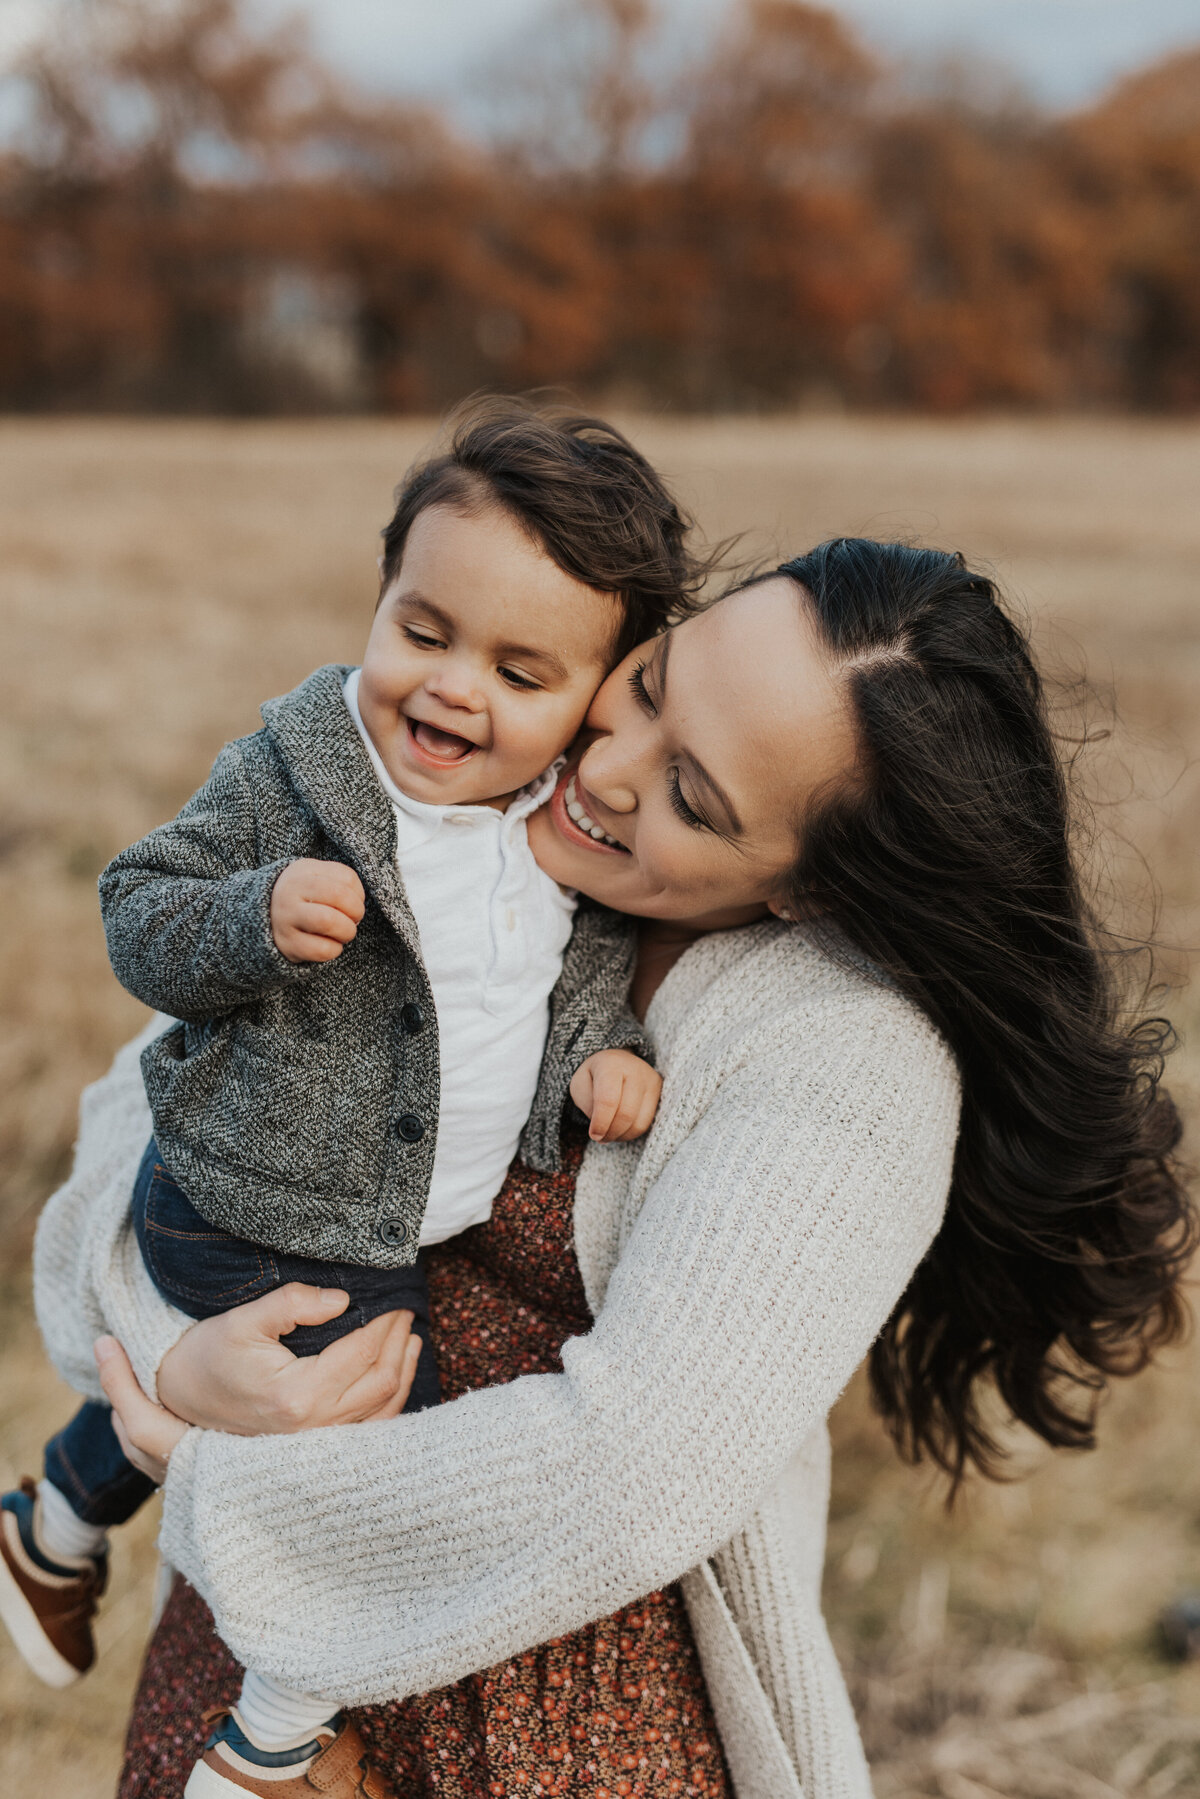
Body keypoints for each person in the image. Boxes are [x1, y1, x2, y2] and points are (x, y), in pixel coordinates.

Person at [31, 539, 1193, 1799]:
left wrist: (217, 1478)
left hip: (560, 1731)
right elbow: (129, 1137)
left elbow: (637, 1464)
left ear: (812, 888)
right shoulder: (437, 804)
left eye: (694, 798)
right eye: (646, 683)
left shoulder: (845, 1058)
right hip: (245, 1674)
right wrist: (170, 1367)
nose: (603, 770)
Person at [0, 396, 695, 1796]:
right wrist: (252, 915)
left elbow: (572, 980)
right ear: (378, 599)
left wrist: (595, 1056)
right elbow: (138, 906)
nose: (450, 688)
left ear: (592, 696)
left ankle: (53, 1515)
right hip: (254, 1197)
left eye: (518, 668)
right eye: (423, 631)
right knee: (370, 1453)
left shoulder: (553, 829)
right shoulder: (293, 775)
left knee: (310, 1426)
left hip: (377, 1216)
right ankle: (271, 1739)